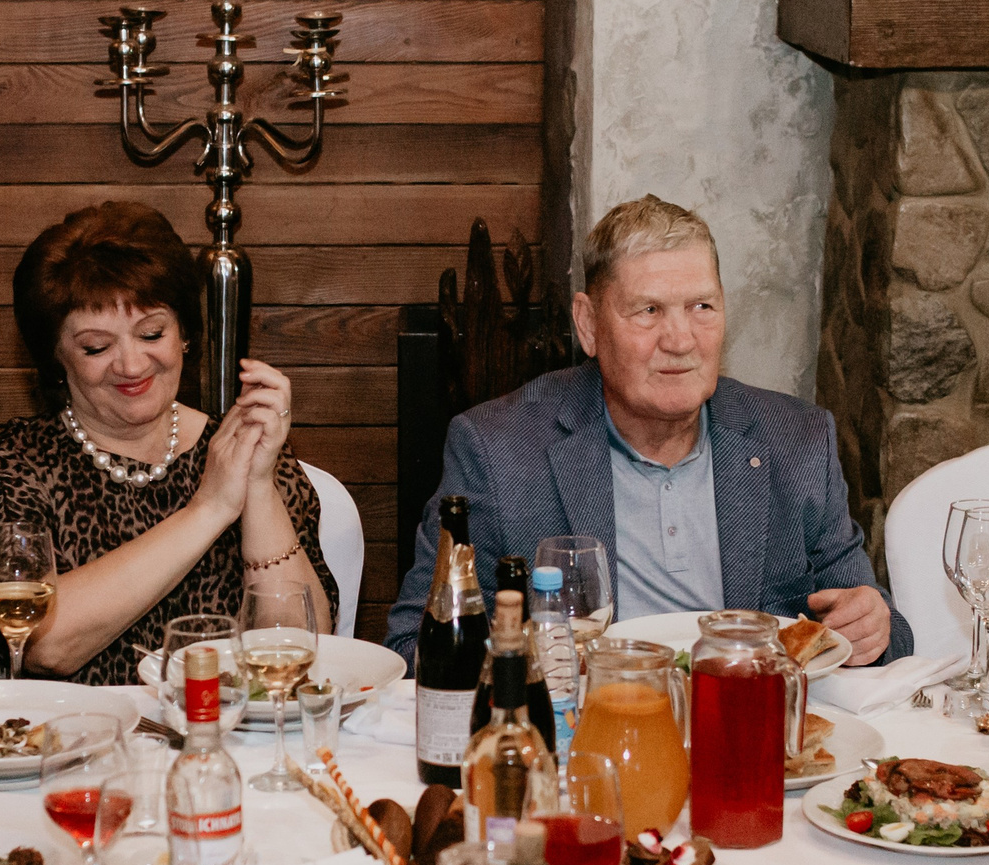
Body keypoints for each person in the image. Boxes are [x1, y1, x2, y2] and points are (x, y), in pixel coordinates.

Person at [385, 194, 908, 667]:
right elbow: (413, 645)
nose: (680, 339)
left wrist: (873, 624)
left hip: (752, 734)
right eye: (649, 310)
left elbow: (885, 631)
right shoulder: (498, 449)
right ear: (588, 325)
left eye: (701, 307)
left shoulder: (795, 440)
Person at [0, 202, 336, 683]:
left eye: (152, 332)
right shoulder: (11, 470)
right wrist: (208, 509)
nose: (132, 366)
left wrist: (257, 483)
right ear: (56, 358)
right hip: (72, 746)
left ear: (184, 335)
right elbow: (44, 643)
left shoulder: (236, 449)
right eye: (97, 347)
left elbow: (300, 645)